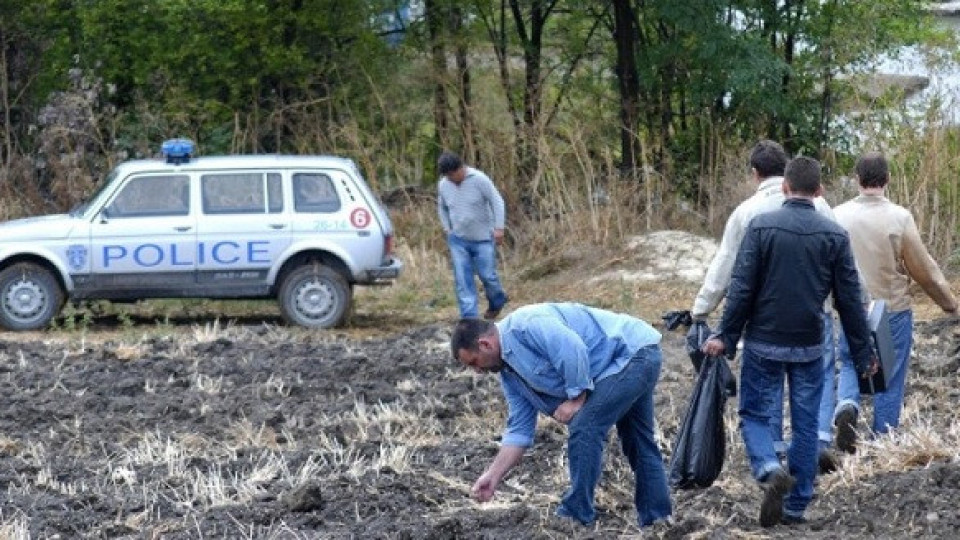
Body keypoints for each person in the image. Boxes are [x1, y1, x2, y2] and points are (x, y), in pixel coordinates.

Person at [701, 156, 875, 527]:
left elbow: (742, 290)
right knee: (807, 422)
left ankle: (767, 467)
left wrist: (725, 337)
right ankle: (796, 506)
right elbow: (850, 301)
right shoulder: (834, 235)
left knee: (753, 413)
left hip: (764, 342)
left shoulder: (761, 227)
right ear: (819, 192)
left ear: (784, 188)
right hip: (811, 343)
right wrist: (863, 352)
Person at [690, 140, 842, 469]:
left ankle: (771, 452)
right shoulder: (822, 207)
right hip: (814, 317)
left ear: (755, 172)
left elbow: (726, 268)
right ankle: (815, 441)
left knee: (764, 388)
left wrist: (701, 310)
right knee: (816, 384)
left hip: (765, 320)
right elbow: (842, 261)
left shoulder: (747, 213)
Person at [450, 303, 672, 528]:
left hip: (632, 353)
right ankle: (658, 520)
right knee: (638, 441)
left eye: (474, 363)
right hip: (623, 362)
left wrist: (577, 397)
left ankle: (575, 516)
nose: (477, 371)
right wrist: (493, 476)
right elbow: (519, 432)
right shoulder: (509, 376)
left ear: (484, 344)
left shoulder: (526, 324)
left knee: (585, 426)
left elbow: (572, 348)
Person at [832, 152, 958, 453]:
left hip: (850, 309)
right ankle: (882, 442)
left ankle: (847, 404)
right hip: (892, 308)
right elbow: (923, 270)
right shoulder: (899, 217)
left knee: (849, 362)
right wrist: (949, 303)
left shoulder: (837, 216)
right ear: (887, 179)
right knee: (889, 373)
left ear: (857, 179)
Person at [437, 151, 509, 319]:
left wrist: (499, 228)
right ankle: (469, 318)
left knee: (488, 276)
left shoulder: (479, 179)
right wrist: (447, 227)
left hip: (483, 238)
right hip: (458, 239)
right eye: (447, 176)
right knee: (462, 279)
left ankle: (497, 300)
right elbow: (442, 207)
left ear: (460, 168)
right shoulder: (443, 184)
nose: (451, 179)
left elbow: (497, 200)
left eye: (453, 174)